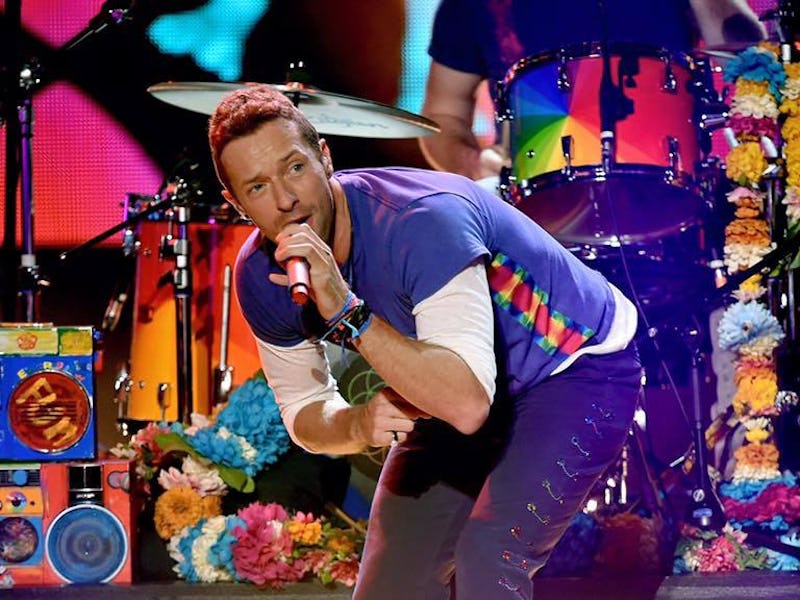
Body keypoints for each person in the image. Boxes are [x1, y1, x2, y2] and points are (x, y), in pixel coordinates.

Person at [208, 83, 641, 599]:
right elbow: (303, 409)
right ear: (236, 203)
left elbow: (467, 404)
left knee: (490, 556)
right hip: (454, 387)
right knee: (392, 584)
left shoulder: (420, 221)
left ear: (325, 158)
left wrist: (348, 310)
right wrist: (355, 423)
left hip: (574, 369)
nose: (286, 200)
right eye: (258, 187)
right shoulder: (262, 277)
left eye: (295, 168)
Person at [419, 0, 766, 180]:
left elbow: (748, 56)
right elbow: (443, 114)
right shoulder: (474, 6)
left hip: (675, 204)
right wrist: (474, 164)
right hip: (536, 218)